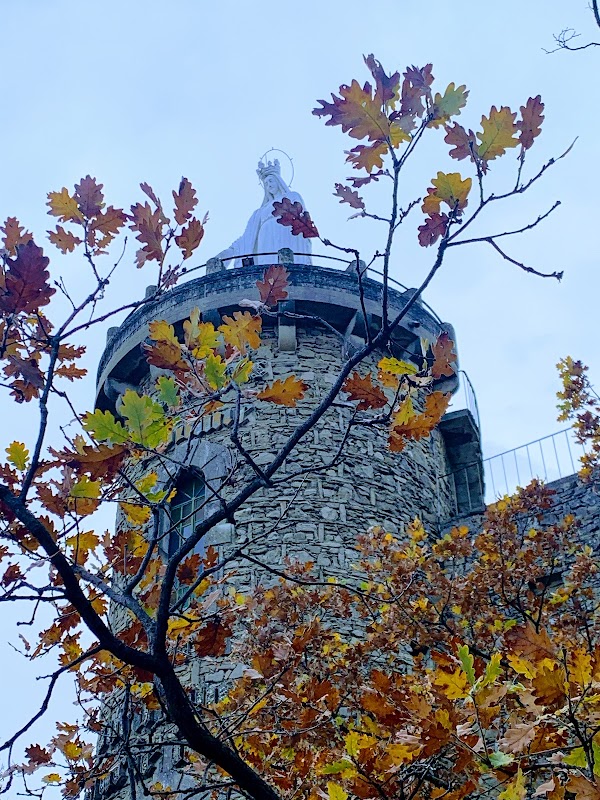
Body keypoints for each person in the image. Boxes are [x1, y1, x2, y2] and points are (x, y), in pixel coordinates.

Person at [217, 159, 312, 267]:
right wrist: (228, 253)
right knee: (269, 269)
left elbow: (304, 220)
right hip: (266, 240)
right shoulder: (261, 211)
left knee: (287, 262)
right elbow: (246, 237)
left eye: (271, 181)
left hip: (287, 236)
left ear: (278, 181)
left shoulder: (293, 196)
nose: (268, 185)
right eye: (266, 183)